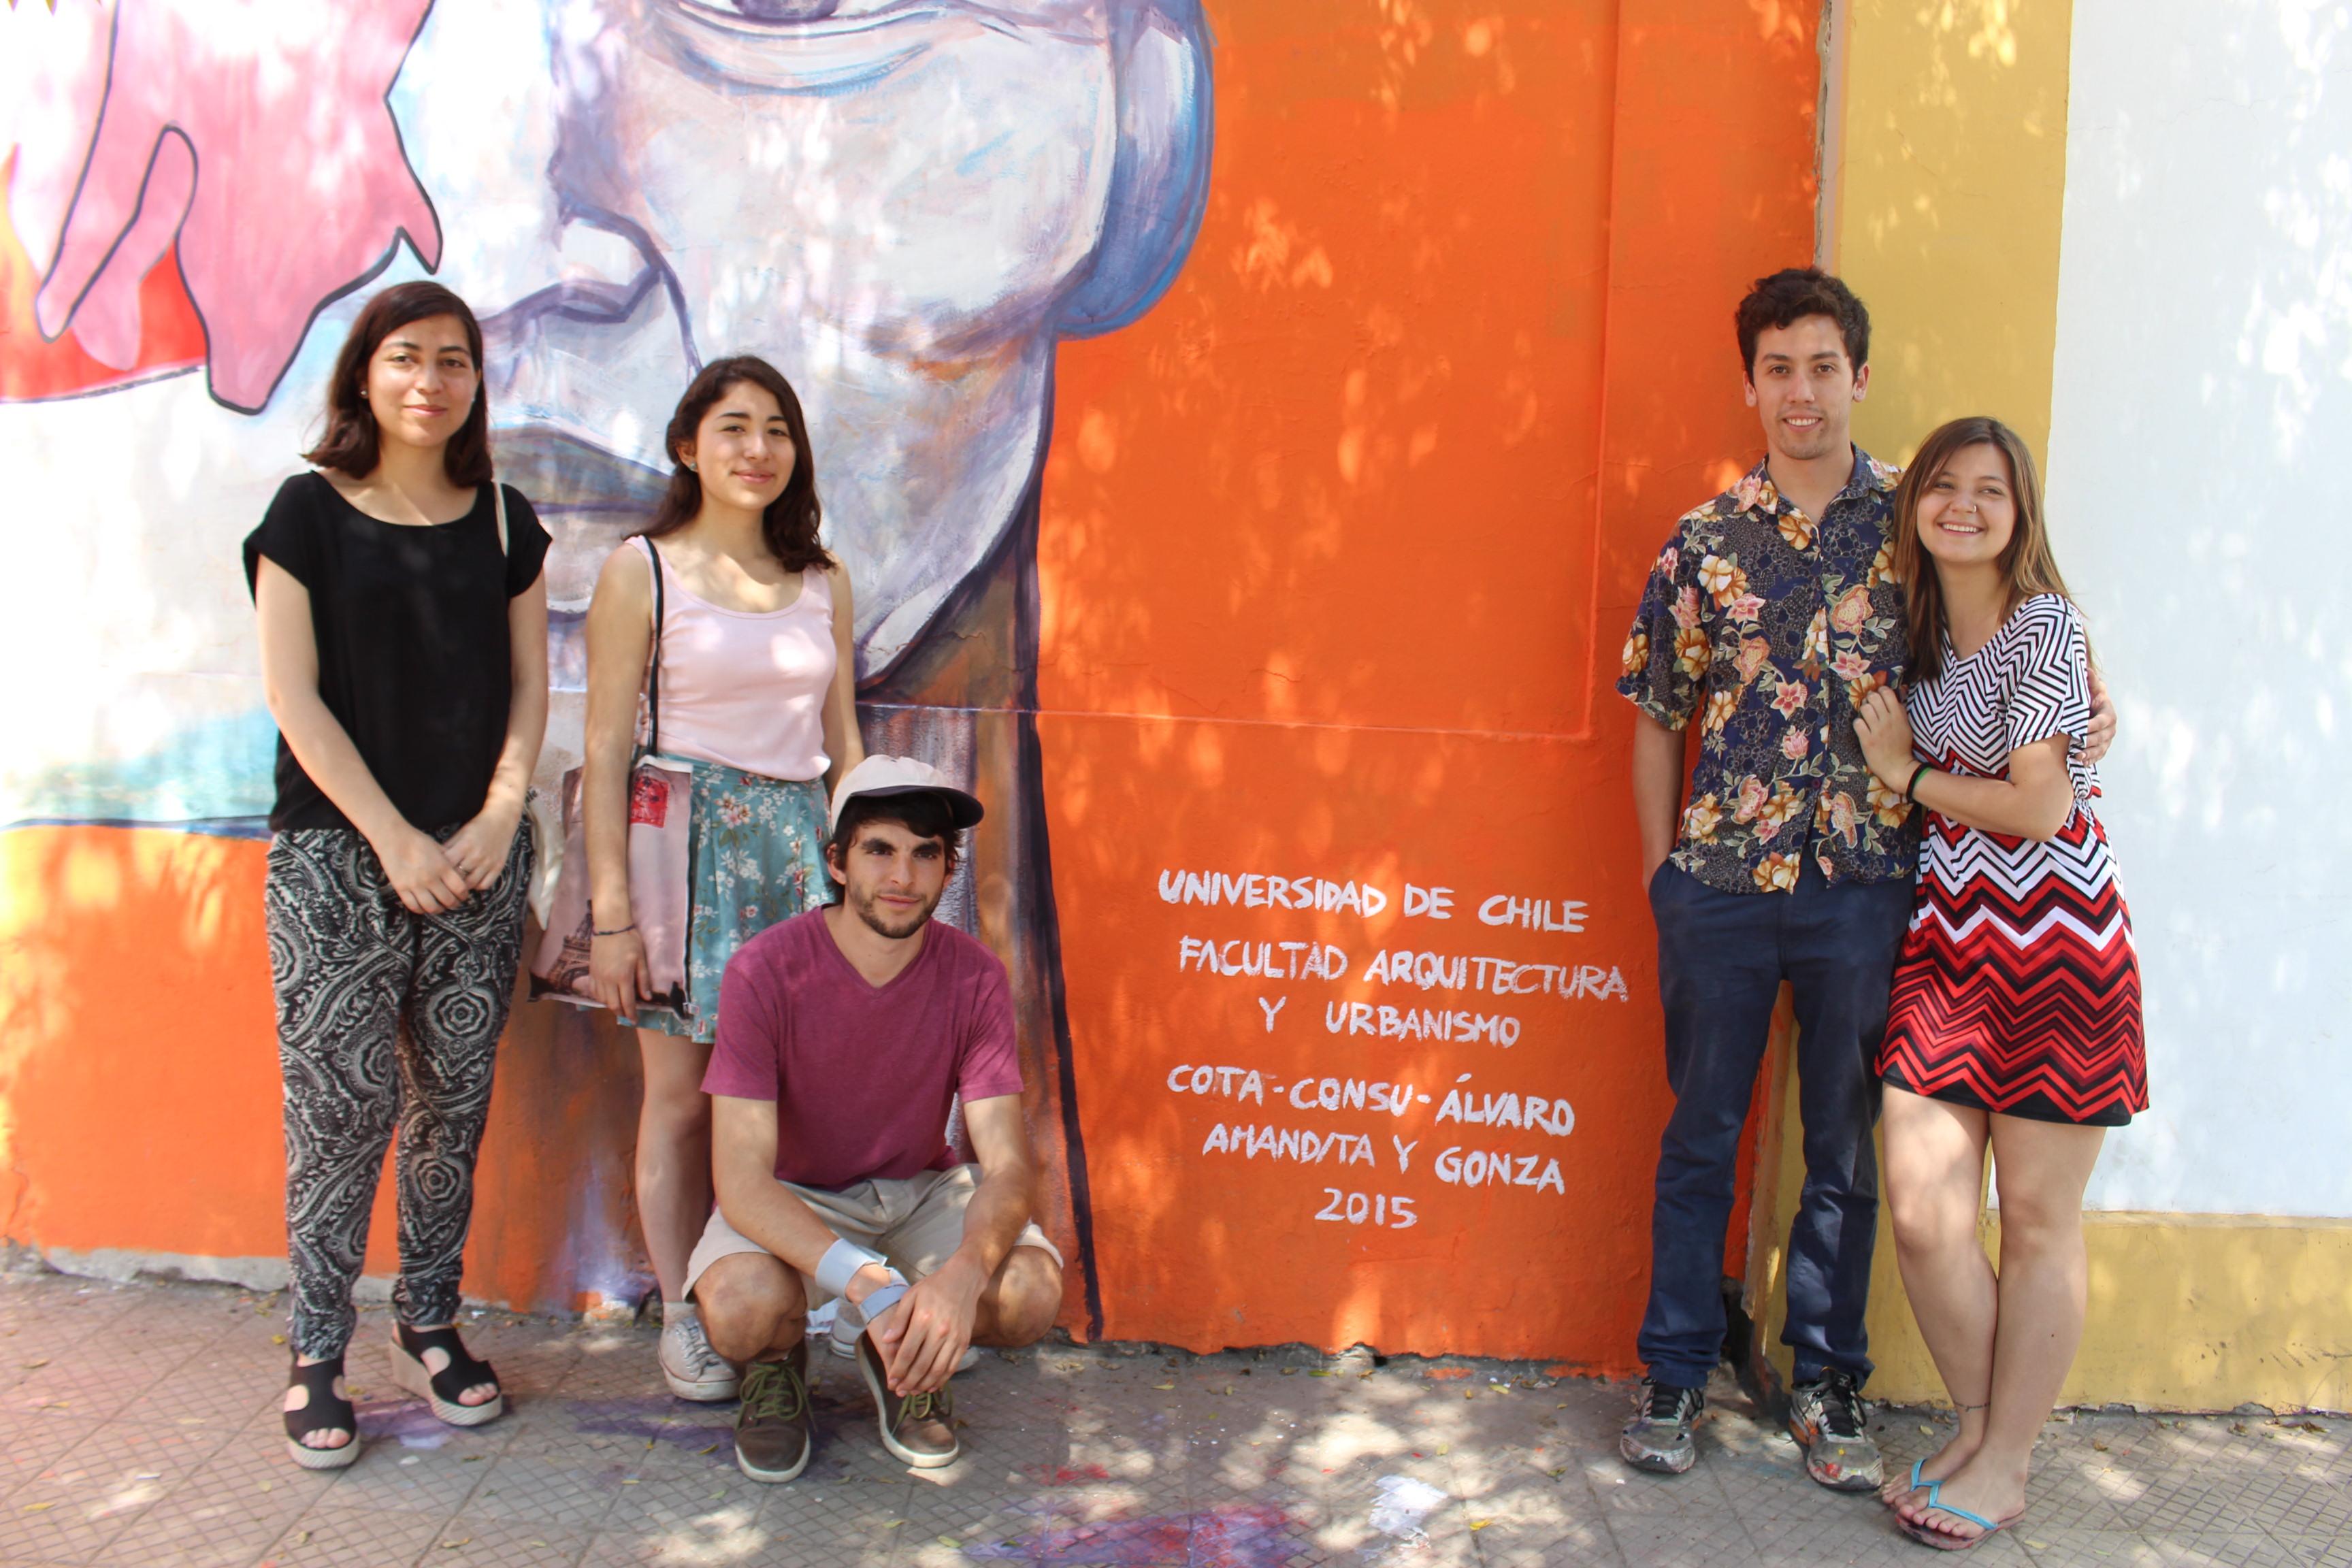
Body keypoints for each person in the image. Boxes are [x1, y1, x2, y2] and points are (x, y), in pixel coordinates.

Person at [1612, 270, 2116, 1490]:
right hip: (1721, 885)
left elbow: (2023, 632)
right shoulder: (1704, 542)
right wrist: (1661, 877)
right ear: (1752, 382)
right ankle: (1676, 1369)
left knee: (1841, 1144)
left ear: (1860, 378)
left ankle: (1828, 1380)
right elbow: (1653, 715)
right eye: (1778, 367)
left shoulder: (1916, 520)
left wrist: (2097, 708)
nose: (1801, 391)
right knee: (1704, 1137)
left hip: (1868, 883)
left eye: (1823, 366)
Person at [244, 281, 550, 1468]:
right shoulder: (304, 513)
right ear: (365, 372)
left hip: (479, 856)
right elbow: (294, 696)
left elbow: (531, 686)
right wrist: (394, 837)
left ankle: (430, 1315)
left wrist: (499, 813)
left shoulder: (505, 520)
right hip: (338, 856)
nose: (431, 379)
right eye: (408, 356)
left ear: (477, 383)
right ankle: (316, 1346)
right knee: (339, 1111)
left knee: (450, 1106)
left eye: (456, 362)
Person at [1854, 418, 2144, 1550]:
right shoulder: (1915, 630)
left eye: (1990, 489)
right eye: (1942, 485)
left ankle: (2008, 1461)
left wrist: (1907, 772)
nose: (1962, 505)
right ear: (1914, 500)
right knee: (1925, 1210)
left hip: (2056, 949)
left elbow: (2041, 806)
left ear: (2023, 514)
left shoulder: (2045, 626)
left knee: (2033, 1214)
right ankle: (1978, 1425)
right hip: (1948, 946)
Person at [580, 357, 864, 1403]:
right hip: (682, 861)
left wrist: (862, 887)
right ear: (688, 445)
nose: (758, 449)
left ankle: (801, 1297)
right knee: (682, 1105)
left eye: (778, 429)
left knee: (797, 1099)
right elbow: (606, 750)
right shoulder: (641, 570)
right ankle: (683, 1314)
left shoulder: (823, 581)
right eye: (734, 426)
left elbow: (843, 744)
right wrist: (614, 920)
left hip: (796, 856)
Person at [687, 756, 1064, 1482]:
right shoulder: (765, 971)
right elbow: (740, 1177)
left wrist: (962, 1277)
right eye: (879, 850)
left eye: (927, 854)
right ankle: (781, 1366)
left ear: (948, 869)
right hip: (795, 1195)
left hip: (918, 1191)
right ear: (836, 861)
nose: (904, 876)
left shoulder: (974, 975)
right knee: (739, 1311)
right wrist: (869, 1283)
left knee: (1027, 1296)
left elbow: (1009, 1164)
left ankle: (893, 1354)